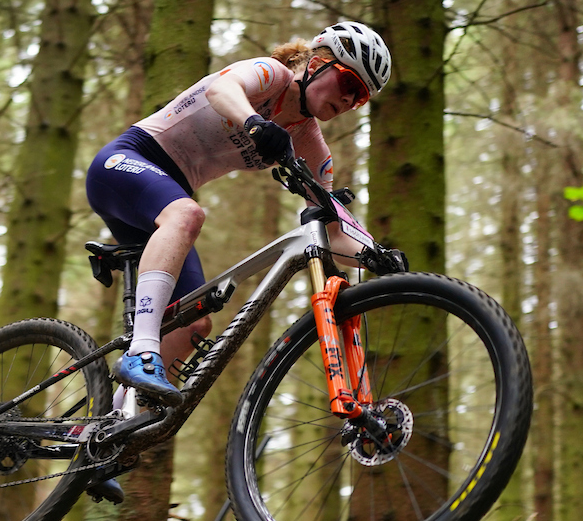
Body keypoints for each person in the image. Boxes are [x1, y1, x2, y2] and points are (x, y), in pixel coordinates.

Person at [86, 22, 393, 407]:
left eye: (361, 97)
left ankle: (108, 429)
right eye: (350, 83)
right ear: (317, 62)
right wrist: (255, 123)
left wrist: (374, 255)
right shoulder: (272, 75)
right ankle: (140, 351)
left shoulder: (310, 143)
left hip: (163, 203)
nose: (350, 100)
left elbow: (332, 230)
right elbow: (222, 89)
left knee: (193, 323)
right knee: (188, 214)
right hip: (125, 162)